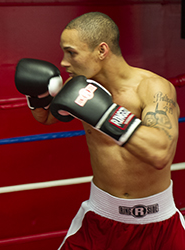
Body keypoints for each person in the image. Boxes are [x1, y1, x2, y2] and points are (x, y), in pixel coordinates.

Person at [15, 12, 185, 249]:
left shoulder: (153, 87)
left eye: (71, 52)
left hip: (159, 225)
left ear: (102, 50)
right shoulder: (83, 88)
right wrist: (36, 95)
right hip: (99, 220)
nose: (64, 62)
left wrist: (106, 114)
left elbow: (160, 153)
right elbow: (46, 117)